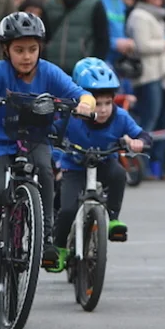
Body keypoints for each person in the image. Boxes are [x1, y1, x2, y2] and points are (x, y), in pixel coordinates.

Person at [0, 12, 94, 289]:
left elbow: (81, 93)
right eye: (19, 50)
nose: (27, 56)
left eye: (32, 49)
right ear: (6, 49)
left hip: (35, 140)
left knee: (45, 169)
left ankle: (46, 238)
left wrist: (86, 104)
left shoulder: (49, 72)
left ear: (40, 48)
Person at [52, 58, 148, 269]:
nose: (103, 110)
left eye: (107, 103)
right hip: (74, 167)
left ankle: (113, 219)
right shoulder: (71, 116)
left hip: (104, 163)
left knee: (119, 174)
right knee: (67, 210)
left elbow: (142, 134)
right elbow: (51, 132)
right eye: (97, 103)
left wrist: (139, 142)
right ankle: (59, 248)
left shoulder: (120, 116)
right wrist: (53, 147)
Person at [127, 0, 165, 180]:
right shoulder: (139, 15)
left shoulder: (158, 15)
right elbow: (142, 45)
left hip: (163, 75)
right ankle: (142, 166)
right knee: (149, 120)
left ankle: (158, 167)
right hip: (148, 77)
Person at [42, 0, 110, 75]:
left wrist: (93, 66)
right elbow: (44, 35)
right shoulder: (51, 3)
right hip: (54, 68)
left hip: (82, 70)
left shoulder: (94, 3)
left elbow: (102, 39)